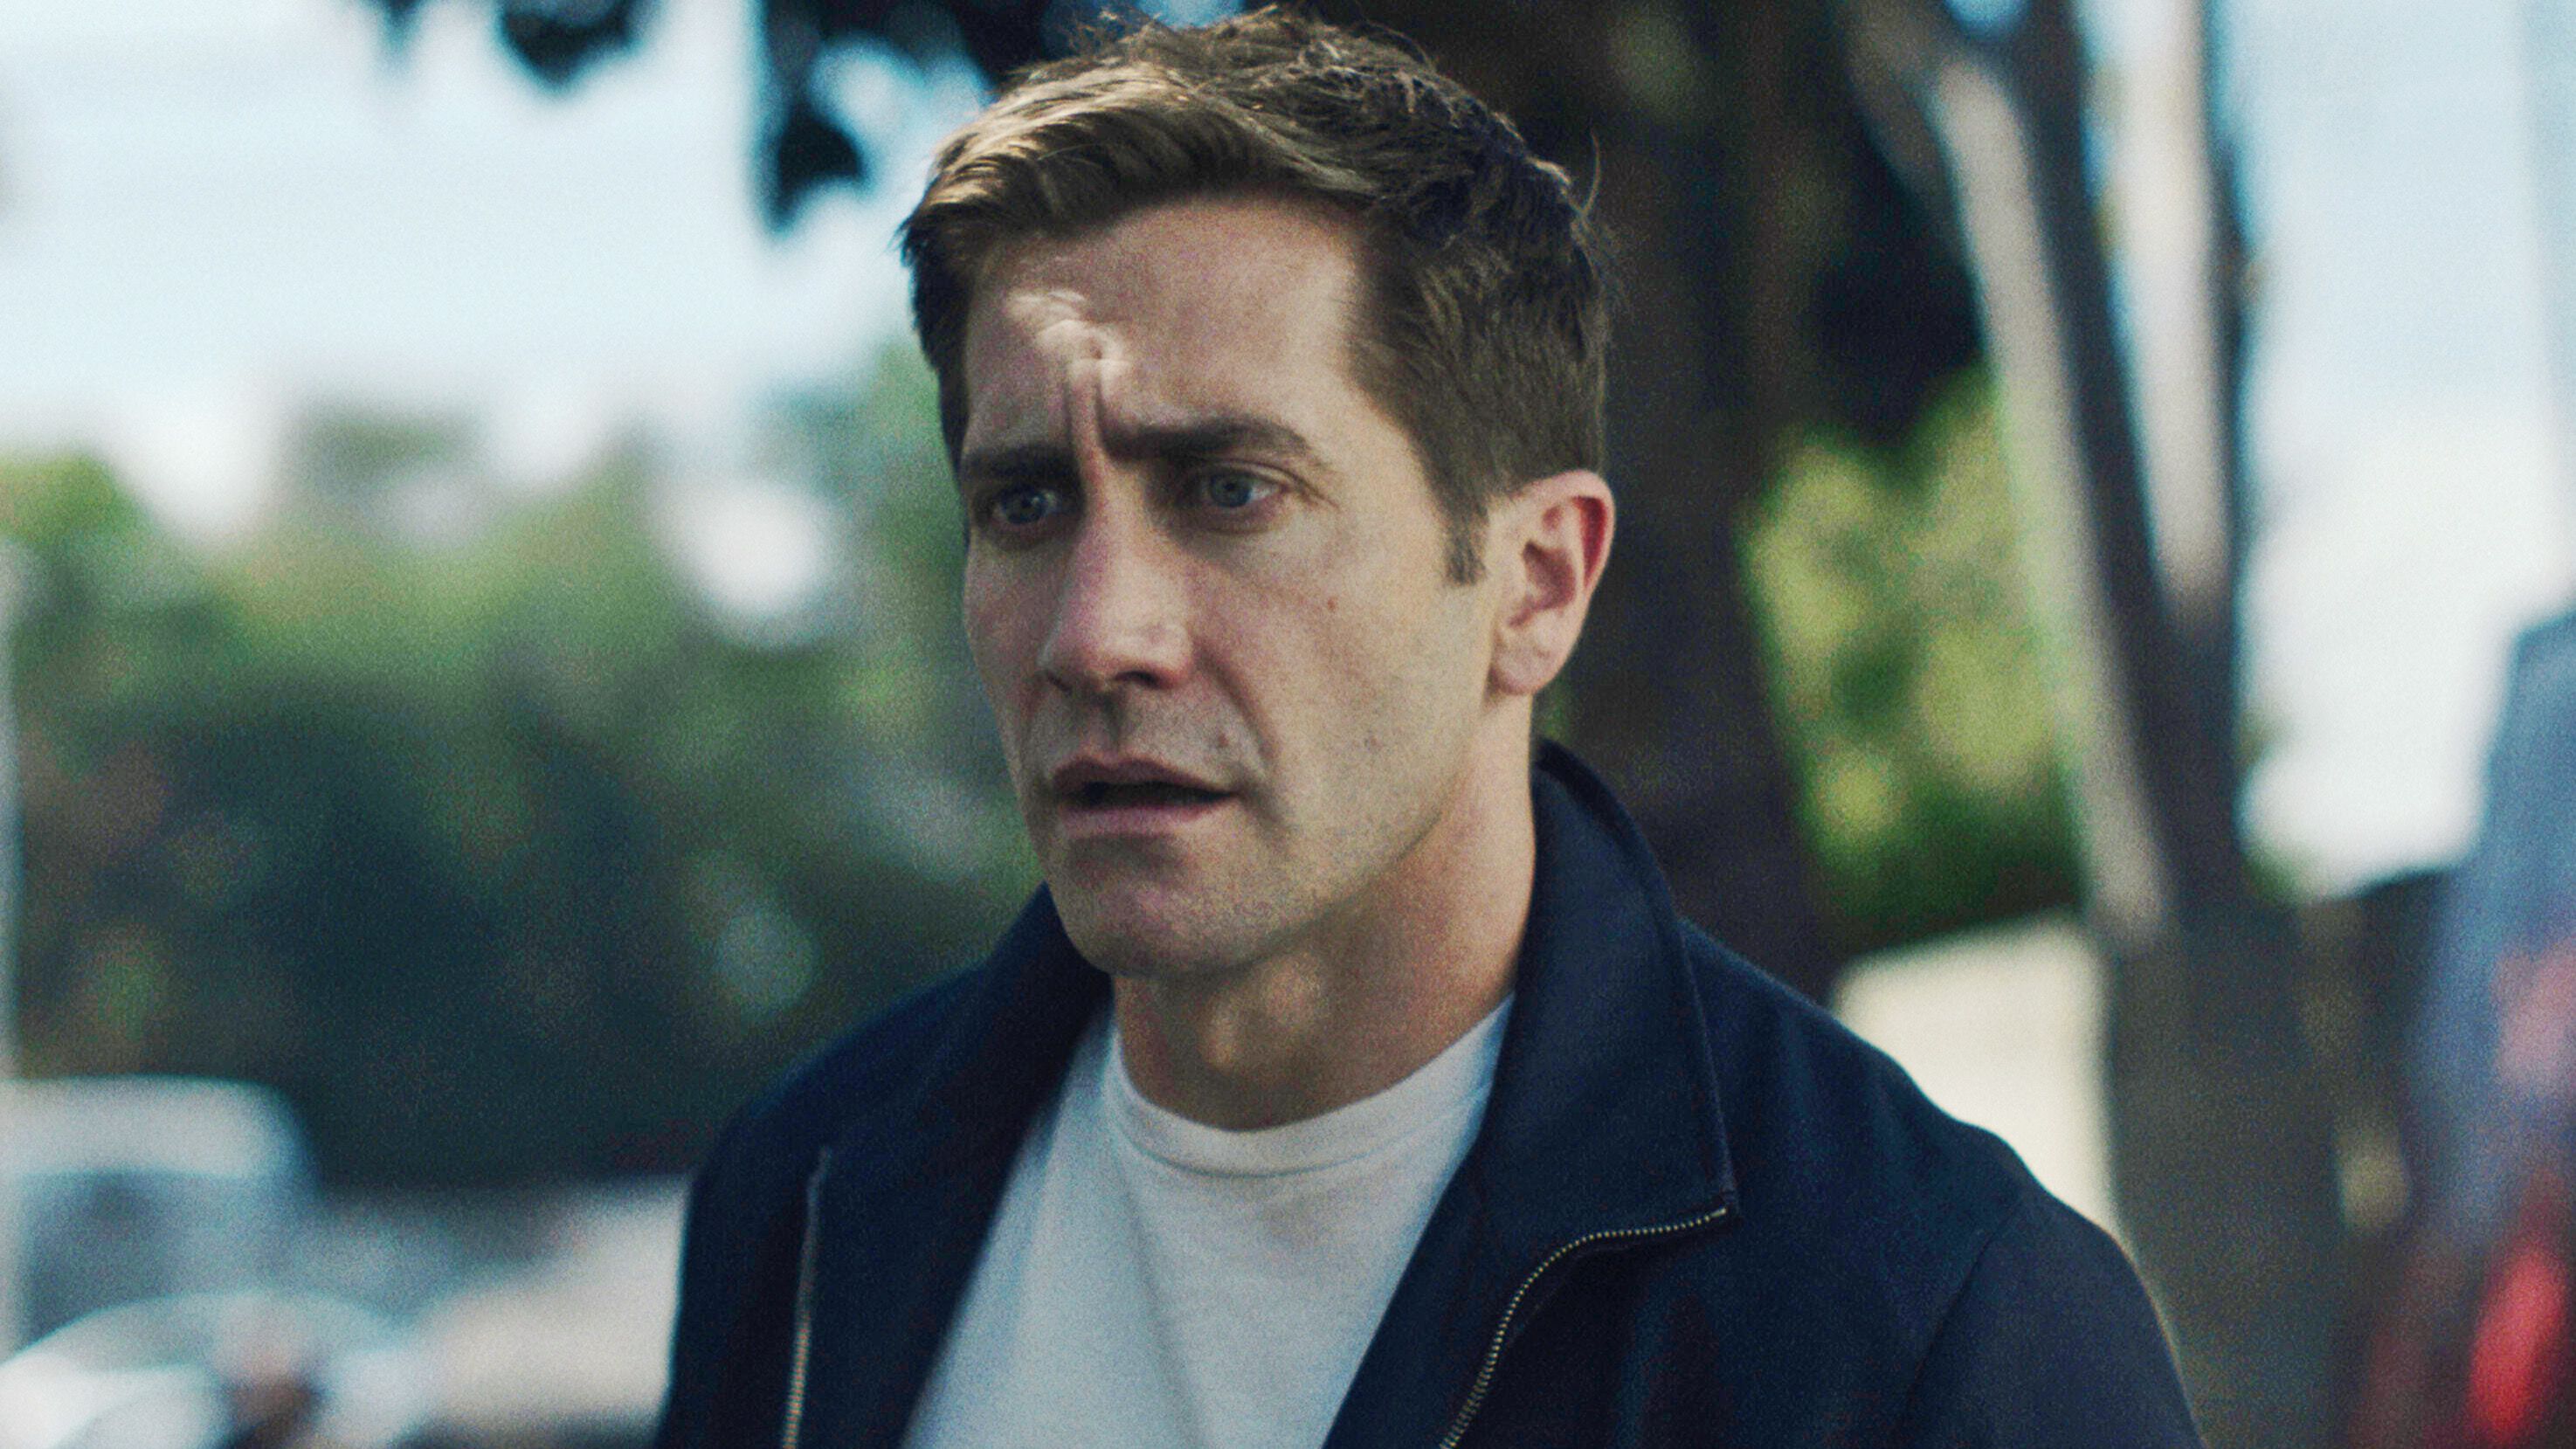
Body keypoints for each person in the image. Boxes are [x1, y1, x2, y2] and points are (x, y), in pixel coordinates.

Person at [656, 11, 2204, 1447]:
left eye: (1231, 491)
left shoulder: (1924, 1314)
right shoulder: (808, 1200)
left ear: (1536, 585)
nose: (1093, 634)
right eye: (1027, 504)